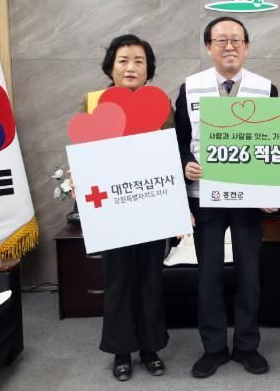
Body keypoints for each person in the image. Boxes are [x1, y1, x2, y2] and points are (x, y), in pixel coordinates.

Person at [174, 16, 277, 378]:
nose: (229, 46)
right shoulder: (190, 88)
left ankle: (247, 345)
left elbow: (276, 143)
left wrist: (274, 191)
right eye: (221, 40)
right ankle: (214, 348)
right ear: (208, 47)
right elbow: (179, 142)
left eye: (236, 40)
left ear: (246, 47)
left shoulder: (266, 88)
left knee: (250, 274)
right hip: (205, 197)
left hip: (249, 198)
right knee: (209, 275)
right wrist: (185, 164)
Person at [86, 34, 174, 382]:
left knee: (150, 279)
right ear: (110, 66)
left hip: (151, 205)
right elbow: (86, 152)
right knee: (118, 281)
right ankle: (121, 350)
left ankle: (150, 348)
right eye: (123, 60)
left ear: (148, 68)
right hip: (112, 209)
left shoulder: (161, 103)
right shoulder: (94, 103)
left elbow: (169, 153)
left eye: (139, 61)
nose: (131, 67)